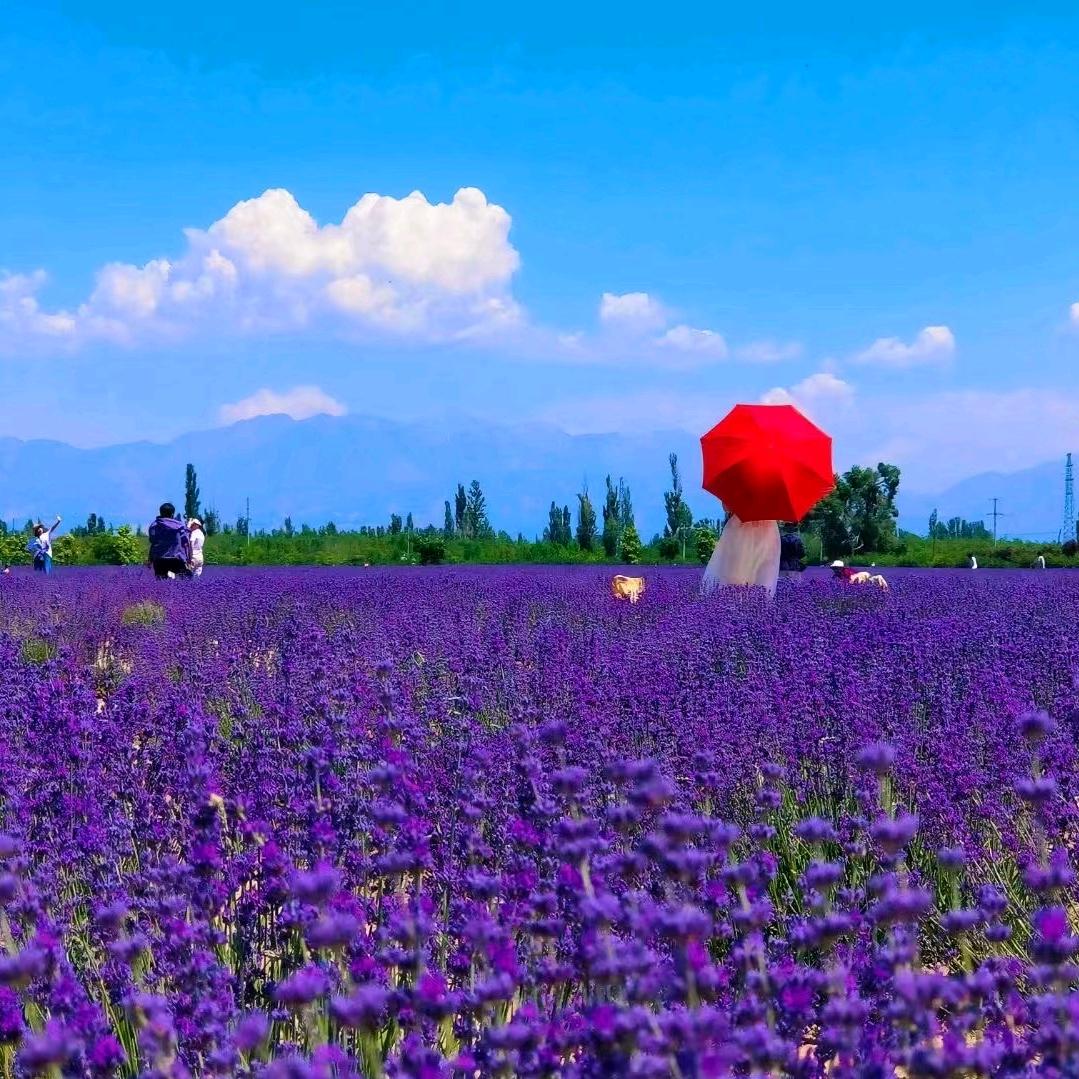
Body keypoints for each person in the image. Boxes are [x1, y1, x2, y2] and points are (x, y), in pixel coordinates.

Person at [701, 514, 781, 598]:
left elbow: (726, 507)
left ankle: (736, 599)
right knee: (762, 568)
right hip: (767, 527)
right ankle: (757, 602)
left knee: (739, 567)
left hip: (742, 525)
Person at [147, 503, 192, 579]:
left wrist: (150, 559)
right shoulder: (180, 526)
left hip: (159, 559)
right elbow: (185, 542)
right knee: (185, 581)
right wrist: (188, 558)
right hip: (177, 558)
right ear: (172, 514)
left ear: (160, 512)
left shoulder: (154, 526)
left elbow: (153, 542)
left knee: (161, 584)